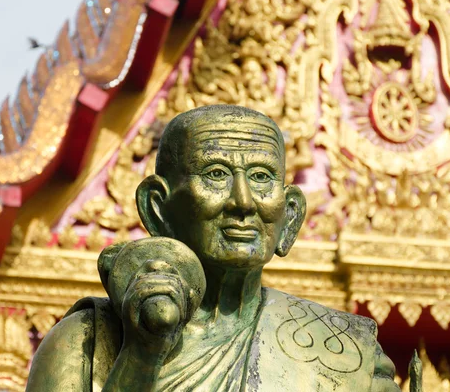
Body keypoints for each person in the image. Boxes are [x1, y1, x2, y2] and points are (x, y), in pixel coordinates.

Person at [26, 105, 401, 391]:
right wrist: (141, 358)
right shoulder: (85, 344)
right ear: (157, 208)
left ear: (289, 215)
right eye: (216, 174)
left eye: (261, 177)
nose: (243, 201)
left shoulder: (350, 354)